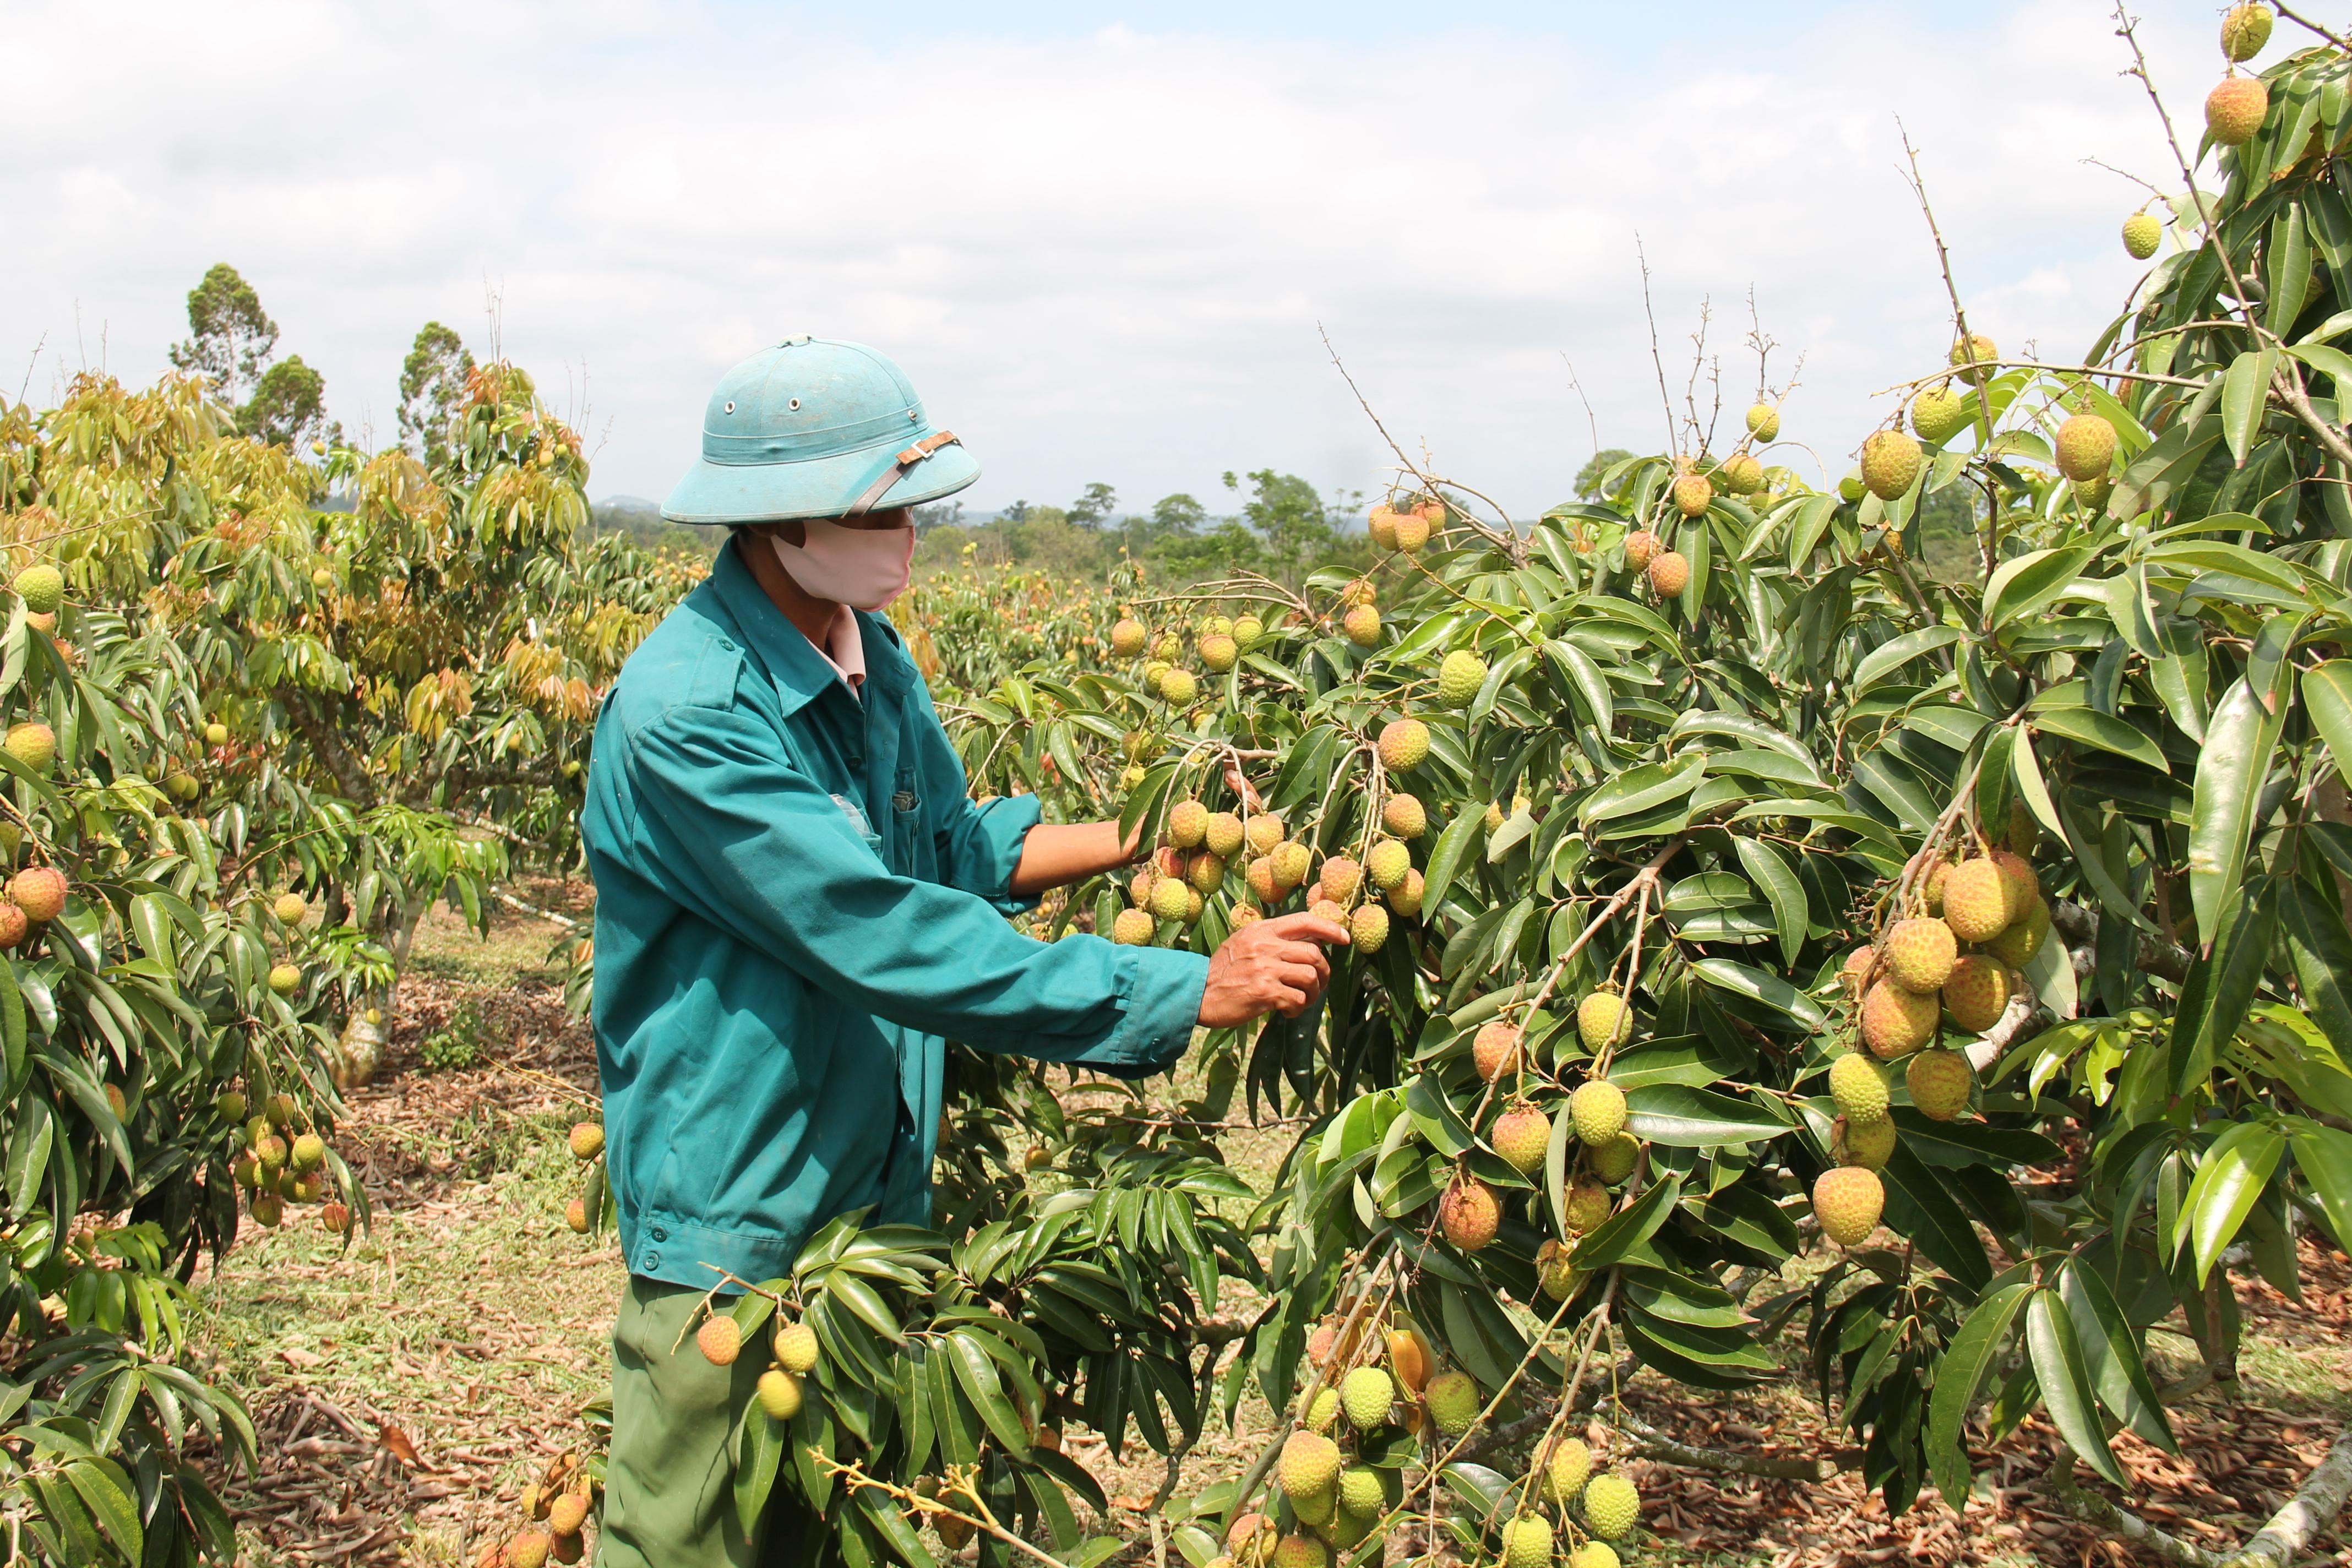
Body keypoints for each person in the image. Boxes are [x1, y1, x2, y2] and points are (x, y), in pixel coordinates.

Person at [579, 337, 1346, 1568]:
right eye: (879, 507)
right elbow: (884, 927)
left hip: (872, 1208)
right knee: (687, 1544)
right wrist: (1182, 984)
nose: (906, 534)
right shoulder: (687, 716)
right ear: (783, 518)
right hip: (740, 1219)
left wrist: (1141, 839)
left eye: (909, 505)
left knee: (837, 1528)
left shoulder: (867, 651)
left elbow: (949, 848)